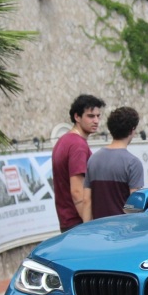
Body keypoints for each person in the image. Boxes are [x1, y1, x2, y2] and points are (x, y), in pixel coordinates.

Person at [52, 94, 103, 231]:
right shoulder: (77, 145)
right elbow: (77, 191)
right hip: (78, 223)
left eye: (98, 116)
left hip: (69, 222)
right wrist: (89, 226)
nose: (96, 121)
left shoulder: (64, 141)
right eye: (91, 116)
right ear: (77, 117)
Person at [86, 106, 145, 220]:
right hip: (122, 231)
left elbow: (86, 201)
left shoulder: (93, 160)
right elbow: (135, 207)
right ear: (132, 130)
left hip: (98, 229)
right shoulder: (133, 163)